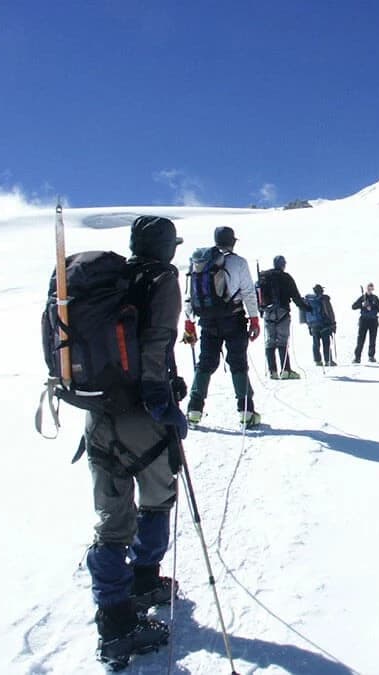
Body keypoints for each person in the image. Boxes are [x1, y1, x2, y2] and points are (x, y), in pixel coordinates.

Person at [84, 216, 186, 667]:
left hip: (98, 409)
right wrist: (162, 401)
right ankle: (144, 580)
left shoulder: (114, 281)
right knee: (158, 496)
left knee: (111, 519)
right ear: (165, 247)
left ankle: (115, 623)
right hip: (140, 414)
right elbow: (156, 341)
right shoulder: (162, 279)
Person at [181, 226, 262, 428]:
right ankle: (246, 412)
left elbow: (190, 295)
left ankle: (194, 410)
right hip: (233, 319)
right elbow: (249, 293)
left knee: (205, 363)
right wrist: (254, 319)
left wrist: (189, 323)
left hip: (207, 320)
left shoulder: (199, 262)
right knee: (237, 362)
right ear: (232, 241)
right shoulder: (238, 262)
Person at [259, 255, 312, 379]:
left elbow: (258, 294)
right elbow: (296, 297)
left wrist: (260, 310)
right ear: (283, 264)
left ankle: (273, 371)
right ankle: (286, 370)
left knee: (270, 341)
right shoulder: (286, 277)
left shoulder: (263, 276)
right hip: (283, 311)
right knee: (282, 340)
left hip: (268, 312)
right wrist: (307, 308)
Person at [303, 284, 337, 366]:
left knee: (316, 343)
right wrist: (333, 324)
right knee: (326, 343)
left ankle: (317, 360)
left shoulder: (308, 300)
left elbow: (305, 313)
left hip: (313, 325)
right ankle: (328, 360)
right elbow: (330, 312)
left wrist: (309, 325)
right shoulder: (324, 299)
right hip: (324, 324)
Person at [351, 282, 379, 363]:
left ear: (373, 289)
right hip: (364, 321)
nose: (370, 290)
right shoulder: (362, 298)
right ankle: (357, 357)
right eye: (368, 288)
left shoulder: (375, 298)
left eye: (371, 288)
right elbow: (353, 306)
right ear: (366, 289)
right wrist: (362, 305)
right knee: (360, 339)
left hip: (373, 321)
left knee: (372, 339)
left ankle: (371, 356)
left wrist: (371, 307)